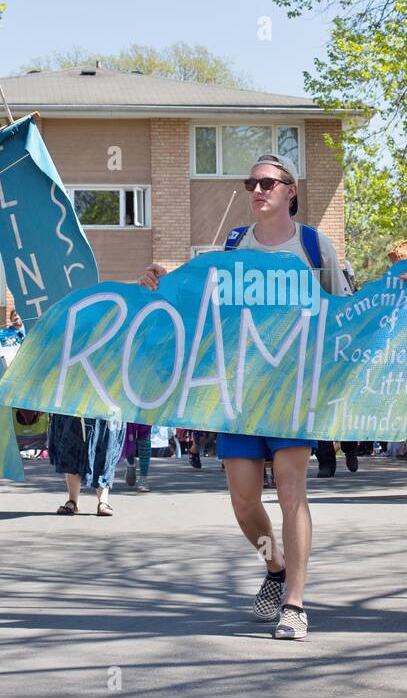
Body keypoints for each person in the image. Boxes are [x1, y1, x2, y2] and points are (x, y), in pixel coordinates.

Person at [138, 153, 346, 639]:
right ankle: (274, 568)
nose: (257, 190)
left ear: (290, 190)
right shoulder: (234, 244)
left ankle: (294, 601)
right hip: (239, 389)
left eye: (268, 182)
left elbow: (345, 310)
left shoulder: (314, 247)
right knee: (244, 501)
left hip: (294, 389)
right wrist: (164, 275)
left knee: (293, 491)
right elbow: (200, 287)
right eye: (251, 182)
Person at [51, 414, 125, 517]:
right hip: (73, 405)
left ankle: (103, 502)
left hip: (104, 406)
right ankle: (73, 500)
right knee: (70, 448)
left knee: (103, 446)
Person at [123, 423, 153, 492]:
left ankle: (143, 478)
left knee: (145, 438)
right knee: (128, 438)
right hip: (129, 413)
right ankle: (131, 464)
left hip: (147, 413)